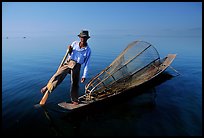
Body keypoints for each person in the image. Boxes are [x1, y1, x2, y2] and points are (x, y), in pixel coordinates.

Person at [40, 30, 91, 105]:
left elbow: (87, 64)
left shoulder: (88, 50)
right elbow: (70, 54)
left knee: (75, 83)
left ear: (87, 38)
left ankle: (74, 99)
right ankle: (48, 87)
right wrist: (69, 50)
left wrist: (84, 75)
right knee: (57, 75)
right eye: (81, 37)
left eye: (84, 37)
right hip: (69, 62)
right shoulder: (75, 43)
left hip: (77, 66)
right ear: (80, 38)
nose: (82, 39)